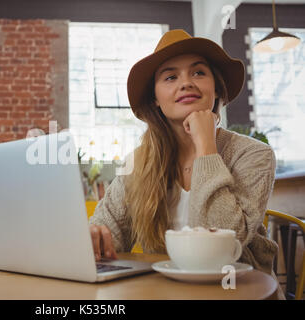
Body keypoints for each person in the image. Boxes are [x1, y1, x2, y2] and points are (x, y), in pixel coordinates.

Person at [89, 29, 283, 297]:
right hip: (167, 293)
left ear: (215, 87)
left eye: (199, 73)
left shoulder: (254, 154)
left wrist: (206, 147)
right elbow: (107, 236)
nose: (186, 83)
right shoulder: (138, 162)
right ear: (155, 98)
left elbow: (224, 243)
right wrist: (94, 236)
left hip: (241, 292)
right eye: (170, 77)